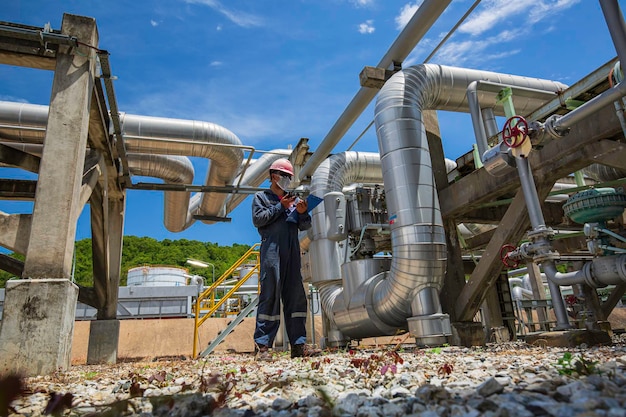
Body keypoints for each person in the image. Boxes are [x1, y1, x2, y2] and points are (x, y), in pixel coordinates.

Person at [251, 158, 321, 360]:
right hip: (272, 251)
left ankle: (299, 346)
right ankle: (262, 347)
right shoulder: (261, 197)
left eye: (290, 177)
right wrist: (281, 207)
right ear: (274, 177)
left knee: (296, 297)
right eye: (286, 177)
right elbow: (258, 219)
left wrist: (302, 213)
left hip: (292, 252)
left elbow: (304, 225)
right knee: (270, 296)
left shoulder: (295, 199)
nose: (289, 181)